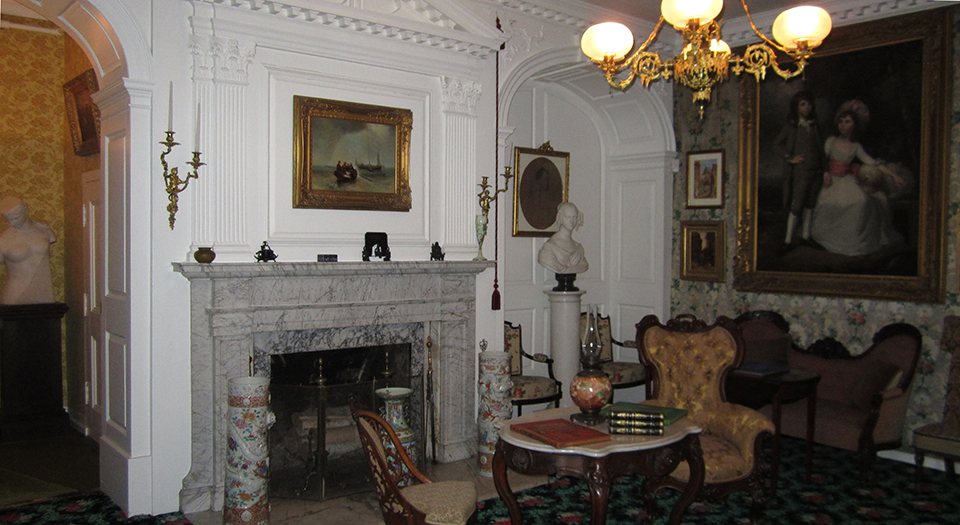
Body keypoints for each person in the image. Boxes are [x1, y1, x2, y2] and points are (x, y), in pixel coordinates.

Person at [808, 101, 908, 258]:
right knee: (826, 203)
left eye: (847, 122)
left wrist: (895, 176)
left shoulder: (855, 146)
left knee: (861, 201)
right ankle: (827, 239)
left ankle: (854, 242)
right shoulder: (831, 141)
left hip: (846, 181)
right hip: (831, 180)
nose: (843, 125)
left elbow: (873, 163)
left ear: (854, 125)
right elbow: (821, 160)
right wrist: (825, 173)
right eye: (841, 121)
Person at [773, 90, 826, 244]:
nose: (807, 107)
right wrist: (790, 158)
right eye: (803, 104)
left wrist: (825, 170)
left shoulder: (814, 125)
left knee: (810, 205)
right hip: (801, 172)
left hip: (816, 172)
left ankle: (805, 236)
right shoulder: (792, 126)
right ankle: (788, 240)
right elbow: (776, 145)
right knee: (797, 206)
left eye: (809, 104)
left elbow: (821, 150)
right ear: (796, 107)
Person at [0, 197, 56, 305]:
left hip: (44, 294)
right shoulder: (3, 240)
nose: (12, 223)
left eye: (16, 218)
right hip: (15, 295)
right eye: (8, 219)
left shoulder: (45, 231)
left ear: (26, 210)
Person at [537, 202, 589, 274]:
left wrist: (567, 269)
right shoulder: (550, 247)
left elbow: (584, 266)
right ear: (560, 217)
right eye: (567, 217)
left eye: (574, 217)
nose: (571, 221)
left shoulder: (578, 248)